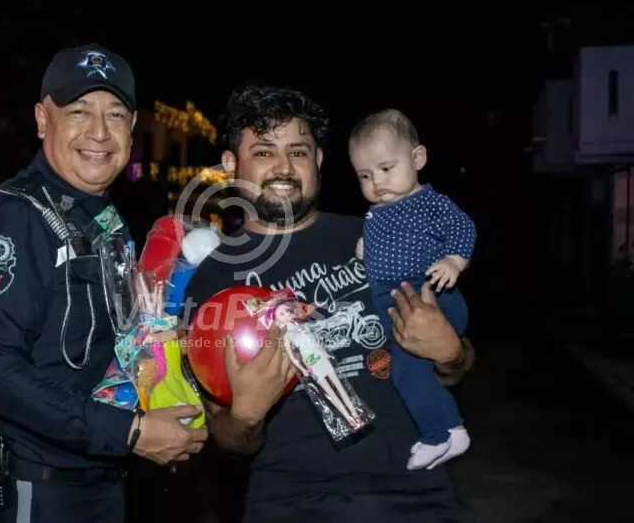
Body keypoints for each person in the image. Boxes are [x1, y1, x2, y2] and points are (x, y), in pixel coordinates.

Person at [179, 85, 476, 522]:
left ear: (318, 161)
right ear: (230, 165)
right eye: (264, 152)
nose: (284, 167)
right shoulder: (210, 281)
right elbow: (226, 437)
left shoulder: (381, 236)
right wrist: (247, 415)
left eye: (298, 152)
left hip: (417, 496)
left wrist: (449, 354)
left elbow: (459, 363)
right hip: (289, 505)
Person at [0, 43, 207, 523]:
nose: (99, 131)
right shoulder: (15, 218)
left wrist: (163, 350)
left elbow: (110, 344)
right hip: (40, 488)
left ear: (131, 129)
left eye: (115, 114)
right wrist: (129, 432)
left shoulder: (102, 217)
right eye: (79, 111)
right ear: (42, 120)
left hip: (100, 480)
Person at [350, 108, 476, 470]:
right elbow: (383, 244)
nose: (377, 182)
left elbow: (463, 227)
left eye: (386, 168)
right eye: (365, 175)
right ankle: (453, 429)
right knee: (412, 373)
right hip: (392, 300)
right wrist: (366, 249)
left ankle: (435, 436)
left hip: (427, 297)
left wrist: (454, 261)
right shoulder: (378, 211)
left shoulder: (429, 202)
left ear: (417, 159)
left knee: (405, 372)